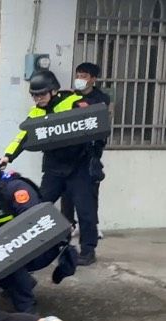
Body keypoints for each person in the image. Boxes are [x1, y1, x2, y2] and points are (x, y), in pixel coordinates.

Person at [0, 69, 99, 266]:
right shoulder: (36, 112)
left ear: (53, 91)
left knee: (85, 210)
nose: (38, 99)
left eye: (42, 94)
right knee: (38, 207)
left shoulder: (72, 101)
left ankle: (88, 251)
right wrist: (7, 156)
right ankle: (34, 247)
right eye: (34, 95)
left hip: (79, 166)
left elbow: (94, 121)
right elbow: (23, 137)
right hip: (54, 168)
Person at [0, 151, 78, 313]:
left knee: (4, 261)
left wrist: (6, 246)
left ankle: (27, 309)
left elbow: (32, 224)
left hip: (42, 245)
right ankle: (22, 285)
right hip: (14, 244)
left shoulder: (16, 189)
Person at [63, 62, 110, 240]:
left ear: (93, 79)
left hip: (91, 151)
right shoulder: (69, 96)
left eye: (83, 76)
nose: (79, 79)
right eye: (78, 76)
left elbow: (99, 117)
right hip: (71, 151)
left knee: (91, 190)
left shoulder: (101, 98)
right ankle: (69, 224)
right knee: (67, 190)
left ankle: (92, 225)